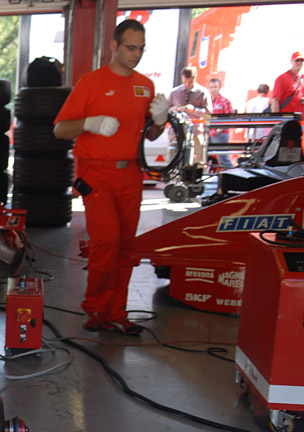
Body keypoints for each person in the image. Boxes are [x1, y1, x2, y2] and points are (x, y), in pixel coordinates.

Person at [54, 18, 166, 336]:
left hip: (130, 172)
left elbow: (151, 132)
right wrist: (89, 122)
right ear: (114, 46)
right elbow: (60, 128)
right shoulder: (91, 83)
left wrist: (160, 119)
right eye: (131, 47)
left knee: (127, 247)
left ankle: (117, 312)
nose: (136, 54)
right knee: (106, 242)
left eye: (141, 49)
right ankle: (96, 309)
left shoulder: (145, 85)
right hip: (95, 173)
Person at [167, 67, 211, 166]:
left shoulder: (202, 92)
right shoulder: (174, 92)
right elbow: (166, 109)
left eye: (190, 82)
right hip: (176, 132)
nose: (187, 85)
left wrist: (194, 109)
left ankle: (195, 178)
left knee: (196, 161)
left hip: (195, 132)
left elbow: (209, 113)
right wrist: (174, 109)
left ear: (195, 79)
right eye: (185, 82)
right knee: (174, 159)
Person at [207, 77, 235, 169]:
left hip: (220, 134)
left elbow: (231, 117)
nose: (213, 89)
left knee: (223, 158)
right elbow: (206, 116)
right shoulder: (207, 102)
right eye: (211, 87)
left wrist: (220, 129)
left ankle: (232, 175)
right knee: (204, 156)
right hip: (208, 133)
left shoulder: (224, 101)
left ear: (219, 88)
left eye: (215, 87)